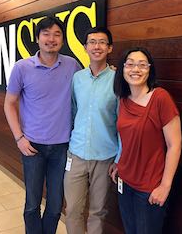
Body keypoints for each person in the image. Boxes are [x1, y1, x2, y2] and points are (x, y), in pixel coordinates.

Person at [4, 17, 81, 234]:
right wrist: (19, 137)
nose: (51, 39)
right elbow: (9, 103)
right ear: (37, 38)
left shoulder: (72, 65)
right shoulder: (22, 67)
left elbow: (88, 84)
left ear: (63, 39)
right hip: (32, 146)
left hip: (62, 147)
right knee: (32, 204)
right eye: (46, 34)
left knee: (56, 206)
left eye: (57, 34)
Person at [110, 47, 182, 234]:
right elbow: (127, 138)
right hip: (125, 182)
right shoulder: (123, 99)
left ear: (150, 70)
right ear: (122, 69)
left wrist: (165, 186)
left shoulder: (160, 98)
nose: (136, 69)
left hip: (150, 187)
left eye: (142, 65)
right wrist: (119, 163)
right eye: (130, 64)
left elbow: (174, 145)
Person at [64, 27, 119, 234]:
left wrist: (119, 158)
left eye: (102, 42)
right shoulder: (77, 78)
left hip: (105, 157)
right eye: (92, 42)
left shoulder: (118, 80)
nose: (97, 46)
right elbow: (73, 111)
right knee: (72, 210)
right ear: (85, 47)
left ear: (110, 48)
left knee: (98, 212)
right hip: (76, 154)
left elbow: (122, 121)